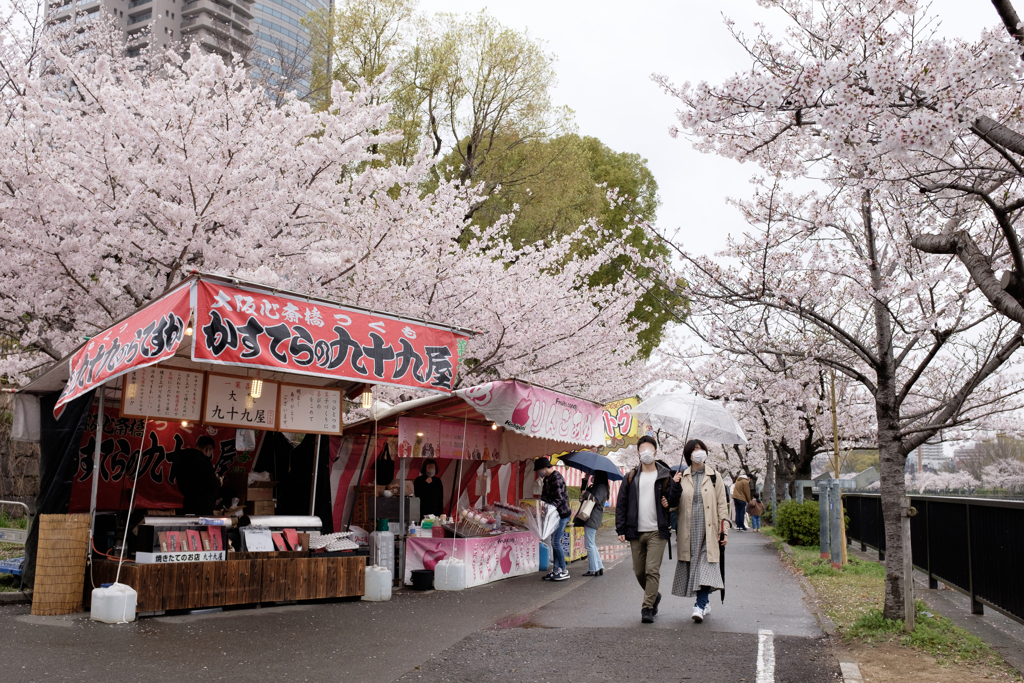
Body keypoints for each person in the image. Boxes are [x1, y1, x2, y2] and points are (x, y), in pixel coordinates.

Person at [665, 439, 730, 623]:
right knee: (695, 566)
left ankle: (699, 605)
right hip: (688, 529)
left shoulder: (714, 476)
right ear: (688, 455)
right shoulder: (681, 476)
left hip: (709, 529)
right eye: (695, 450)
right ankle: (705, 599)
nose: (699, 452)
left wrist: (724, 531)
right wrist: (674, 486)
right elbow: (672, 506)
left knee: (705, 564)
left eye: (701, 449)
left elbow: (721, 506)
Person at [615, 435, 672, 623]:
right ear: (638, 453)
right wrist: (620, 529)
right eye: (643, 450)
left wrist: (669, 501)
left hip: (658, 531)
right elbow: (621, 504)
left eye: (650, 449)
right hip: (635, 531)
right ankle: (654, 596)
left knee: (652, 571)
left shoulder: (665, 475)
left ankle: (647, 608)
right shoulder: (631, 477)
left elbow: (675, 500)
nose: (646, 453)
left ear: (655, 452)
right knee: (639, 571)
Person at [535, 457, 571, 581]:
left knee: (556, 542)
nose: (538, 472)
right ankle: (556, 570)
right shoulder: (547, 480)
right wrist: (542, 506)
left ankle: (564, 569)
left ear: (544, 468)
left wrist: (549, 509)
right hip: (553, 516)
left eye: (539, 469)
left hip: (562, 515)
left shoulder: (557, 477)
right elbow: (544, 496)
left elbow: (559, 498)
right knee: (554, 542)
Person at [174, 435, 221, 516]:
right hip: (204, 507)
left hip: (188, 503)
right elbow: (214, 486)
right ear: (208, 449)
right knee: (203, 528)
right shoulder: (204, 462)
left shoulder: (182, 460)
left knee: (189, 528)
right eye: (211, 451)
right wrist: (219, 482)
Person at [580, 471, 609, 577]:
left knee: (589, 544)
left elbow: (595, 499)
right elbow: (583, 492)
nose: (592, 477)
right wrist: (585, 480)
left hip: (593, 517)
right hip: (592, 517)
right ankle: (599, 567)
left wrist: (586, 494)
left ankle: (593, 569)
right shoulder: (597, 486)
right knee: (591, 543)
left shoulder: (601, 487)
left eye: (594, 475)